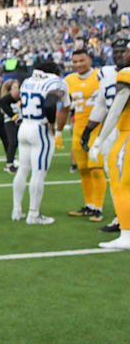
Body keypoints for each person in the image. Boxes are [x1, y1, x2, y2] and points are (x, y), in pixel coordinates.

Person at [12, 61, 70, 224]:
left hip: (24, 127)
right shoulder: (55, 82)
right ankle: (33, 214)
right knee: (38, 173)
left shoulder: (28, 81)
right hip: (40, 128)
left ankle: (16, 210)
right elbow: (51, 104)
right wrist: (52, 125)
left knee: (23, 170)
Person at [83, 38, 130, 236]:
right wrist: (88, 129)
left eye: (123, 51)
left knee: (121, 180)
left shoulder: (126, 74)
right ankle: (121, 218)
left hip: (122, 130)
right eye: (116, 51)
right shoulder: (106, 73)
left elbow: (115, 108)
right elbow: (102, 104)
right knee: (116, 178)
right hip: (113, 129)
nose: (119, 55)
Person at [64, 49, 107, 221]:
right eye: (75, 62)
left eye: (81, 60)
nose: (78, 64)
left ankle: (98, 207)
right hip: (78, 130)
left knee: (96, 169)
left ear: (89, 59)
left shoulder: (101, 76)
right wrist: (59, 131)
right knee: (83, 171)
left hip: (98, 130)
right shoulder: (69, 80)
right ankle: (89, 205)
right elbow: (65, 107)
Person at [0, 77, 22, 174]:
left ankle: (21, 162)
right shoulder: (7, 97)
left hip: (19, 122)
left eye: (18, 87)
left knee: (20, 142)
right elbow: (4, 107)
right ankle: (9, 164)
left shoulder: (19, 97)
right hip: (9, 122)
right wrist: (13, 116)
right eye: (14, 87)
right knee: (13, 142)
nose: (17, 89)